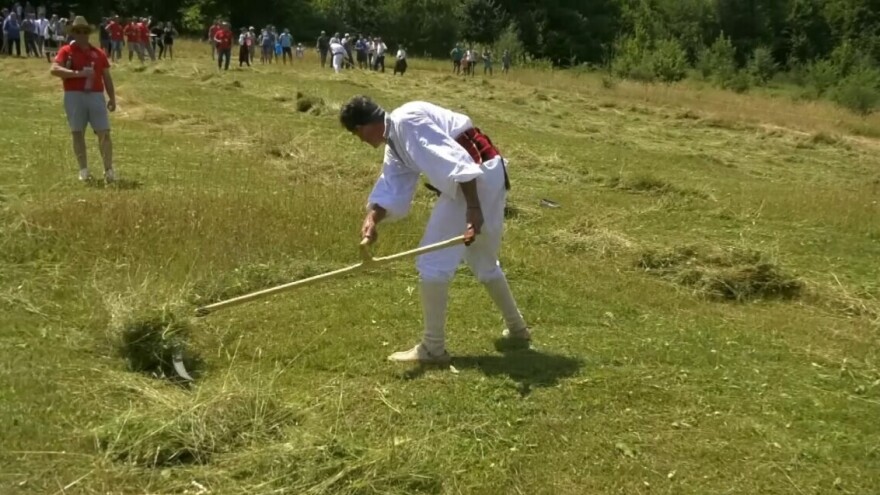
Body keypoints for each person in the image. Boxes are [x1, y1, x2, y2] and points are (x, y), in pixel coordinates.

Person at [338, 95, 530, 363]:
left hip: (476, 179)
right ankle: (518, 329)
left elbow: (456, 161)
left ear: (363, 126)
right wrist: (373, 218)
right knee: (482, 259)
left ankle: (433, 348)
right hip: (486, 174)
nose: (359, 139)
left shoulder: (407, 121)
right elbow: (394, 187)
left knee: (432, 263)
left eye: (355, 132)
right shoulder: (395, 141)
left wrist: (473, 209)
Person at [49, 16, 117, 183]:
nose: (81, 34)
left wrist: (112, 98)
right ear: (73, 33)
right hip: (73, 95)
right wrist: (77, 74)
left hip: (95, 95)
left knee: (104, 132)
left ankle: (108, 170)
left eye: (84, 31)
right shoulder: (66, 51)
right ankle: (84, 170)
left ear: (88, 33)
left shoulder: (99, 53)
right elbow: (54, 69)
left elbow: (107, 77)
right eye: (77, 31)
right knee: (77, 132)